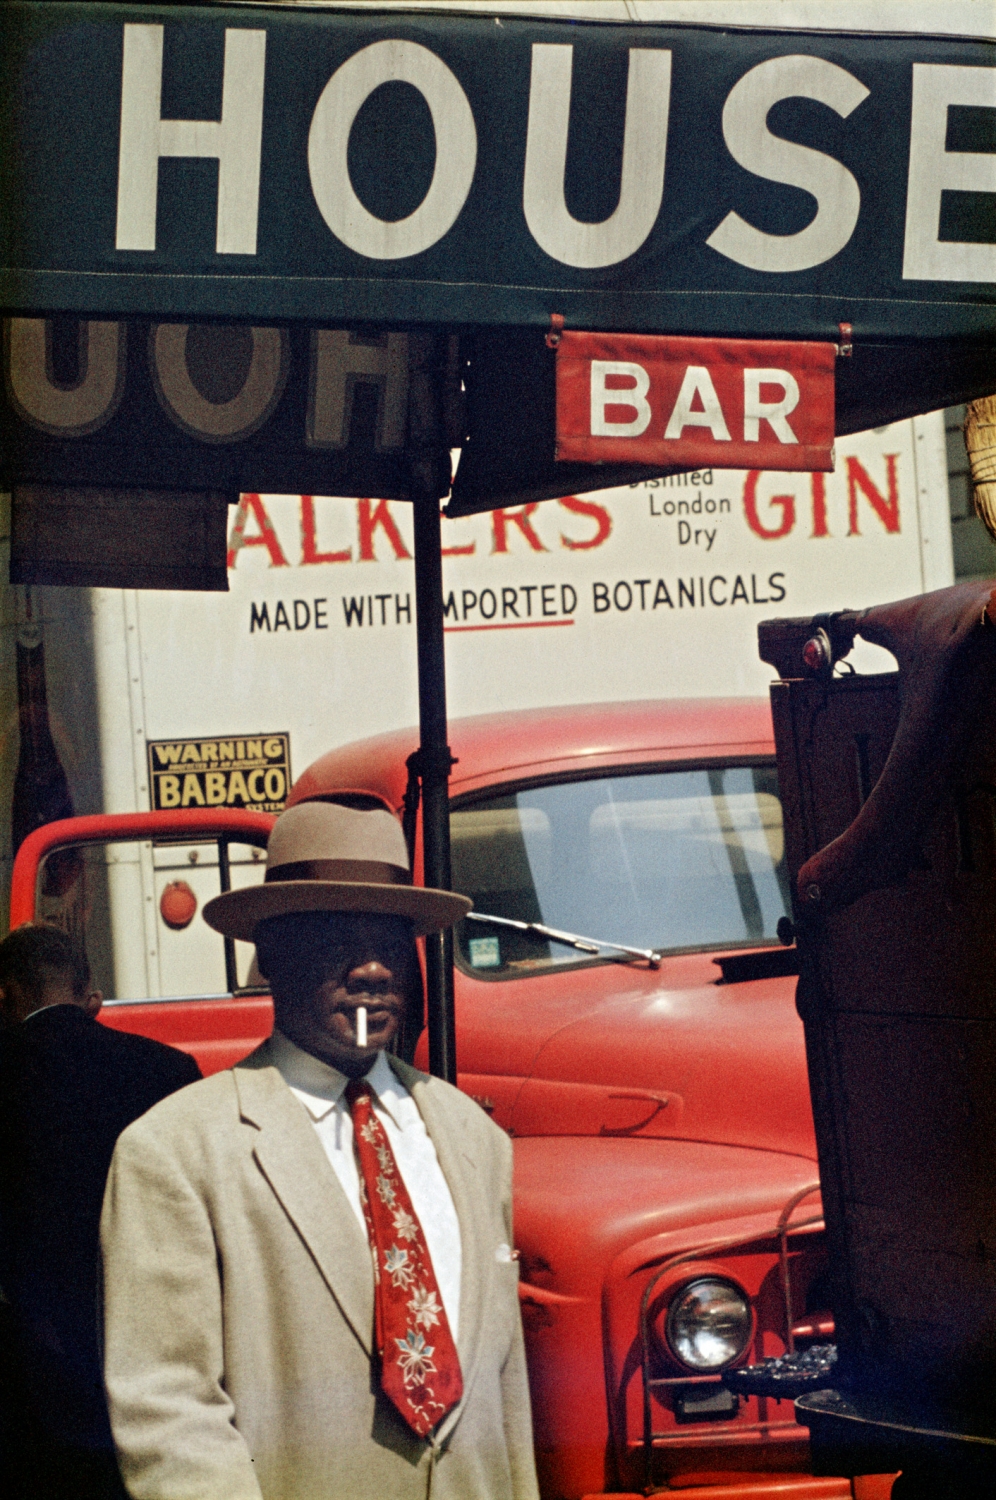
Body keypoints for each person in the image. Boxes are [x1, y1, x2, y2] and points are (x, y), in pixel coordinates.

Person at [100, 801, 539, 1500]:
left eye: (390, 938)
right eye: (336, 934)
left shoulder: (472, 1138)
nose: (371, 968)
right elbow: (170, 1415)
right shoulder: (174, 1153)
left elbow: (506, 1393)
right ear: (270, 952)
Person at [0, 922, 201, 1500]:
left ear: (7, 992)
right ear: (88, 991)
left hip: (31, 1356)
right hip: (148, 1343)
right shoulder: (169, 1070)